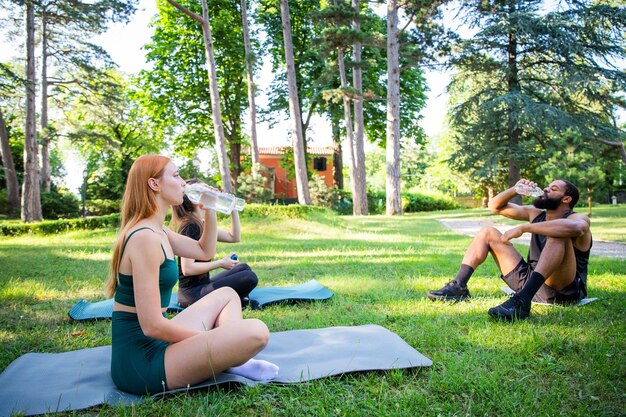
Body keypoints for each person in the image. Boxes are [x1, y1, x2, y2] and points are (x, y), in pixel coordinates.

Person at [106, 155, 278, 395]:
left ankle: (229, 357)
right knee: (256, 332)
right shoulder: (144, 237)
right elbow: (152, 326)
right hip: (142, 363)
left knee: (227, 294)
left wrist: (210, 208)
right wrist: (214, 340)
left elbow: (204, 250)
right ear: (154, 184)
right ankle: (230, 357)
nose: (183, 182)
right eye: (176, 175)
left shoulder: (158, 230)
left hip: (156, 344)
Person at [427, 179, 592, 321]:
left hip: (562, 290)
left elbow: (577, 228)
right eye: (547, 186)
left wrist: (525, 228)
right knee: (487, 232)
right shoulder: (535, 213)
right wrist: (515, 189)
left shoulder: (576, 218)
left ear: (566, 199)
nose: (547, 189)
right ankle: (459, 286)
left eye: (554, 189)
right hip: (530, 281)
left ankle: (521, 302)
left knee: (559, 233)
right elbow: (495, 206)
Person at [172, 179, 259, 308]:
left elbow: (233, 237)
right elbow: (188, 269)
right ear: (196, 199)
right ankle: (237, 300)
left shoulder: (201, 224)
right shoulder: (190, 226)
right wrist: (220, 263)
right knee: (249, 277)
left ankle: (235, 299)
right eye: (206, 190)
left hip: (204, 285)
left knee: (243, 268)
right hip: (192, 294)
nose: (211, 191)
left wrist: (233, 208)